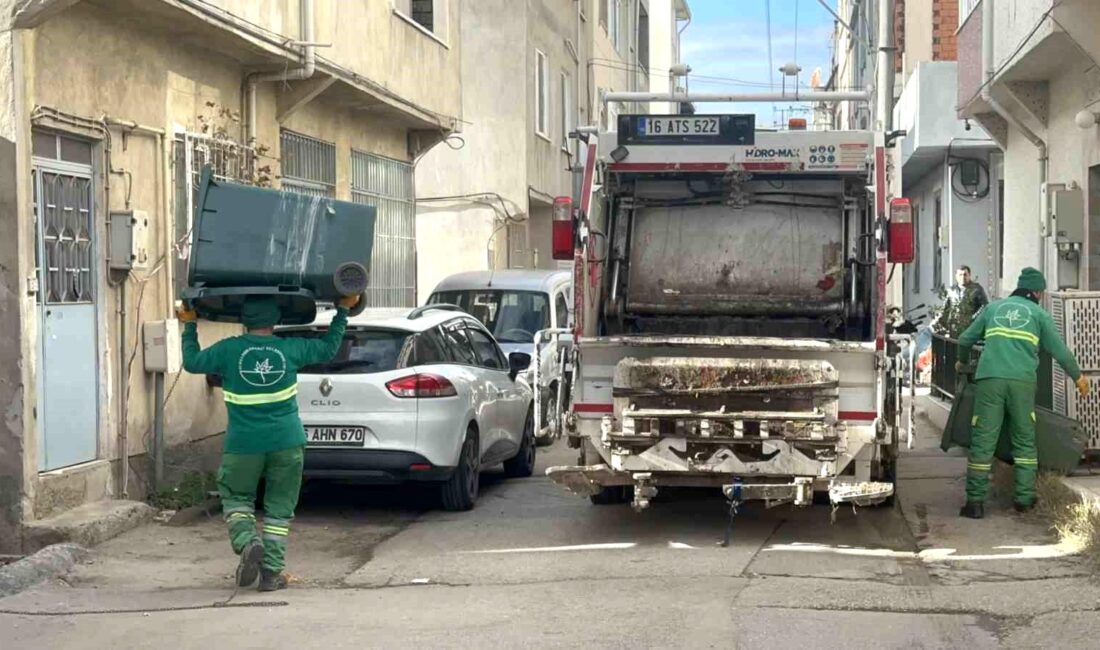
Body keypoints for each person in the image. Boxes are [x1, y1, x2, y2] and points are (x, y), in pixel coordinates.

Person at [177, 294, 359, 590]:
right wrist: (342, 310)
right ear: (274, 320)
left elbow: (193, 362)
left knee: (236, 498)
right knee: (278, 510)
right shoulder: (290, 349)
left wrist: (189, 325)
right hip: (287, 442)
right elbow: (328, 349)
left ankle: (248, 541)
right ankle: (272, 573)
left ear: (244, 320)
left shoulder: (228, 350)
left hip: (244, 444)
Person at [955, 268, 1089, 519]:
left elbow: (964, 340)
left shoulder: (993, 309)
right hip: (1021, 383)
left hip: (990, 381)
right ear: (1038, 292)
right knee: (1024, 441)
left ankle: (974, 503)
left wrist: (962, 364)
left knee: (983, 441)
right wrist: (1078, 378)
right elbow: (1060, 352)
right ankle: (1024, 500)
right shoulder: (1039, 315)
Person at [934, 265, 990, 337]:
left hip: (971, 328)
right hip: (955, 328)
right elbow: (946, 309)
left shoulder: (977, 289)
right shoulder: (951, 290)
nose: (963, 277)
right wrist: (941, 323)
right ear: (956, 276)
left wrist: (972, 318)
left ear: (969, 275)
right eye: (960, 275)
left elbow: (984, 306)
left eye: (965, 274)